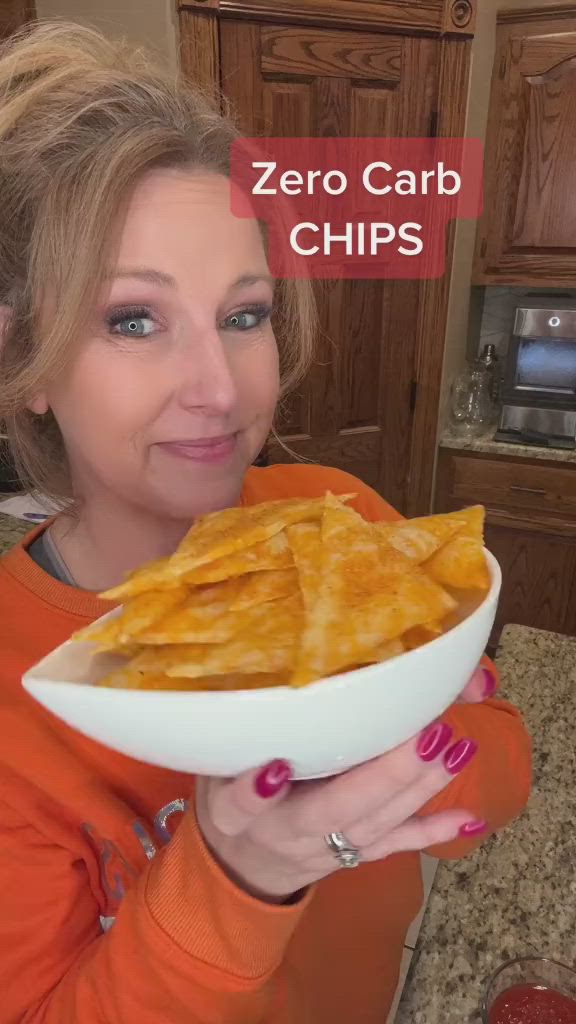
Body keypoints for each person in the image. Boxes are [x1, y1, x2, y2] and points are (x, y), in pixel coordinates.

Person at [0, 21, 531, 1024]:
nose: (220, 387)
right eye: (133, 319)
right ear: (24, 360)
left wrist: (396, 736)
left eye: (244, 315)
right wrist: (240, 874)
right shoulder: (13, 703)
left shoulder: (339, 515)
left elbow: (498, 778)